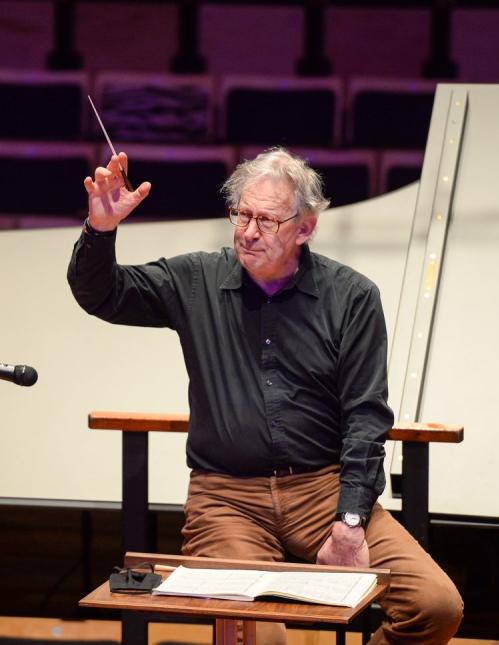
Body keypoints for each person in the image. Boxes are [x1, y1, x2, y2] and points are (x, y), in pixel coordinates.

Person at [68, 148, 463, 644]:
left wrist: (350, 519)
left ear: (305, 227)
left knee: (435, 606)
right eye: (243, 214)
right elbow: (100, 294)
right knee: (261, 638)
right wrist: (100, 229)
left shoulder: (353, 297)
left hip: (323, 491)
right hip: (227, 498)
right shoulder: (197, 279)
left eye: (268, 220)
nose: (249, 232)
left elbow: (366, 416)